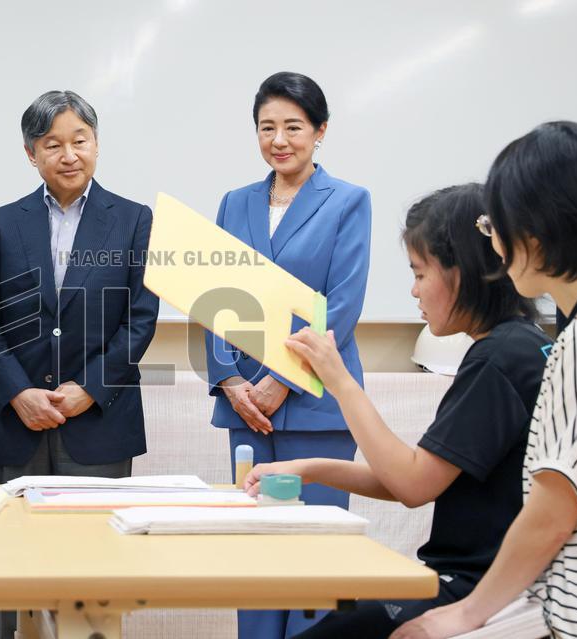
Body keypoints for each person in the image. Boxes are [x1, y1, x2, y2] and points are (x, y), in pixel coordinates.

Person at [244, 184, 549, 638]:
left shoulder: (498, 360)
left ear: (461, 271)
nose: (413, 290)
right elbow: (422, 471)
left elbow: (412, 485)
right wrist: (310, 468)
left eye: (420, 273)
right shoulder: (522, 345)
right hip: (494, 582)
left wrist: (339, 380)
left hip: (478, 591)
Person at [0, 90, 159, 639]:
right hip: (15, 427)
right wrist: (18, 392)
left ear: (96, 144)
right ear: (32, 153)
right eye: (53, 144)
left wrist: (89, 390)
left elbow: (140, 320)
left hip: (98, 426)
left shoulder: (135, 220)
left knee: (93, 587)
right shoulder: (1, 223)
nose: (69, 154)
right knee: (13, 581)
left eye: (80, 140)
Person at [391, 122, 577, 638]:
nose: (495, 247)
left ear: (539, 228)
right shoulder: (560, 336)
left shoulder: (571, 342)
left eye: (496, 224)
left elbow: (552, 510)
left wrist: (465, 615)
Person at [202, 71, 371, 638]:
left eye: (293, 127)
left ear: (320, 131)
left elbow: (341, 307)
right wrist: (229, 381)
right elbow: (214, 298)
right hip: (246, 411)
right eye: (266, 127)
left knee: (312, 563)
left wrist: (282, 380)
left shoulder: (348, 201)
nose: (279, 140)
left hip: (316, 408)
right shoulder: (235, 201)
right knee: (255, 556)